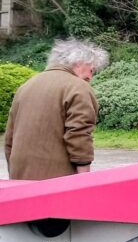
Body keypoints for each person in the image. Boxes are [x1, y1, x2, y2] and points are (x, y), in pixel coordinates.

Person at [4, 39, 109, 180]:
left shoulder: (26, 86)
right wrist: (84, 178)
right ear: (79, 62)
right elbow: (79, 134)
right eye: (92, 70)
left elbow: (9, 137)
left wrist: (14, 173)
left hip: (20, 176)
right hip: (57, 179)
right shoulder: (78, 87)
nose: (90, 77)